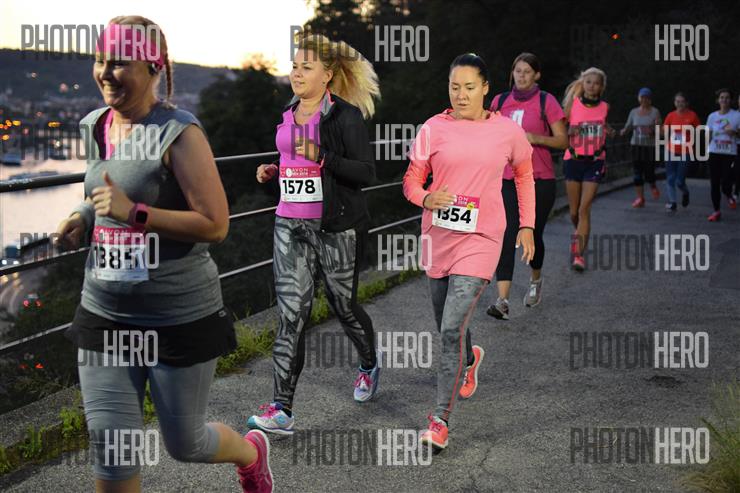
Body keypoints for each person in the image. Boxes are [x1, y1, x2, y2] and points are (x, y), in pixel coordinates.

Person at [55, 17, 272, 493]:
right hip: (104, 312)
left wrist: (136, 214)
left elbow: (215, 224)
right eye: (100, 60)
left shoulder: (178, 132)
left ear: (154, 67)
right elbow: (103, 187)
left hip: (176, 316)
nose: (105, 72)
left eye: (119, 62)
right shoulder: (95, 125)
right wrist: (82, 216)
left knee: (186, 443)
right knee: (112, 456)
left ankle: (252, 453)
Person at [249, 33, 381, 435]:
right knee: (292, 314)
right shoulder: (288, 111)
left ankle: (369, 363)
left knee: (343, 306)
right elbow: (293, 166)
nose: (297, 73)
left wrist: (322, 156)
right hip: (289, 224)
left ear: (327, 75)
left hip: (335, 226)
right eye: (294, 66)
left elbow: (366, 173)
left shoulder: (345, 117)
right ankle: (282, 409)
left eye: (306, 67)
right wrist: (272, 173)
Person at [403, 53, 535, 451]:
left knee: (448, 330)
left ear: (486, 89)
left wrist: (527, 225)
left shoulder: (507, 131)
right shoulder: (432, 128)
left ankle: (439, 420)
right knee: (448, 324)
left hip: (481, 238)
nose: (461, 95)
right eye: (454, 87)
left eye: (469, 87)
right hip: (438, 237)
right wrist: (426, 198)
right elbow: (411, 180)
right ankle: (470, 358)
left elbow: (524, 175)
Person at [485, 52, 567, 319]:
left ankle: (535, 279)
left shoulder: (546, 101)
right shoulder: (499, 101)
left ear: (536, 75)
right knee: (506, 234)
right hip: (506, 179)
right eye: (517, 71)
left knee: (533, 233)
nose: (521, 76)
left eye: (527, 72)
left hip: (538, 179)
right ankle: (502, 301)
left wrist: (534, 138)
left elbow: (563, 141)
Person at [562, 67, 614, 271]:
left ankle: (578, 255)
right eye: (588, 82)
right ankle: (579, 235)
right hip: (573, 160)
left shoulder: (605, 107)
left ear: (602, 87)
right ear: (583, 84)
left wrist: (609, 131)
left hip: (595, 161)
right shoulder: (572, 104)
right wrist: (570, 130)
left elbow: (605, 127)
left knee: (584, 209)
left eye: (596, 83)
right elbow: (559, 130)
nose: (592, 86)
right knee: (574, 212)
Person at [620, 87, 662, 207]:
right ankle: (640, 198)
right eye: (642, 97)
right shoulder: (633, 112)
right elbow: (628, 125)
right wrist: (624, 131)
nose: (644, 100)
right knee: (637, 173)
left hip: (650, 146)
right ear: (639, 98)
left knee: (649, 172)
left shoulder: (655, 112)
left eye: (646, 98)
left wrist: (654, 129)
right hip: (636, 145)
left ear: (650, 99)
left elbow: (660, 129)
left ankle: (652, 185)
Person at [661, 92, 700, 213]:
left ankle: (685, 192)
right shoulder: (670, 115)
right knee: (670, 178)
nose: (680, 104)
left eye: (682, 101)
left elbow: (699, 131)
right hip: (671, 150)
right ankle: (672, 202)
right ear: (674, 103)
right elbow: (663, 132)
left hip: (686, 151)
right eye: (677, 101)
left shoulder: (692, 115)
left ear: (686, 103)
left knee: (679, 181)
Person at [705, 88, 740, 221]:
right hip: (714, 152)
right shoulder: (712, 116)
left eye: (727, 97)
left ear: (731, 100)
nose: (724, 100)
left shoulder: (737, 115)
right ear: (718, 100)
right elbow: (708, 134)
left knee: (726, 181)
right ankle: (716, 211)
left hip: (729, 153)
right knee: (714, 183)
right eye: (722, 97)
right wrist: (705, 150)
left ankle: (729, 195)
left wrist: (735, 133)